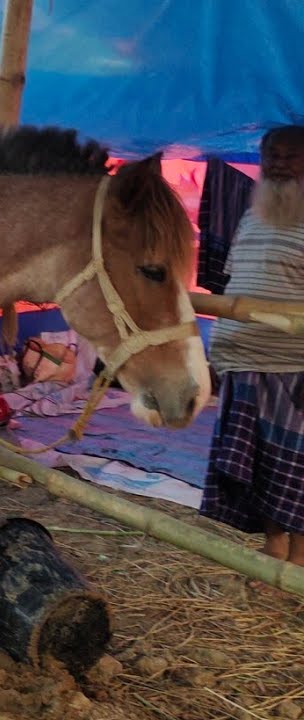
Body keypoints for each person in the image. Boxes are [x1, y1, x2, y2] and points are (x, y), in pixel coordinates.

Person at [201, 124, 304, 572]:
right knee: (258, 464)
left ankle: (300, 557)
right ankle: (274, 545)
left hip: (292, 365)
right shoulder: (250, 216)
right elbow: (235, 284)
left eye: (289, 156)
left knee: (295, 466)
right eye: (271, 156)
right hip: (240, 361)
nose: (277, 164)